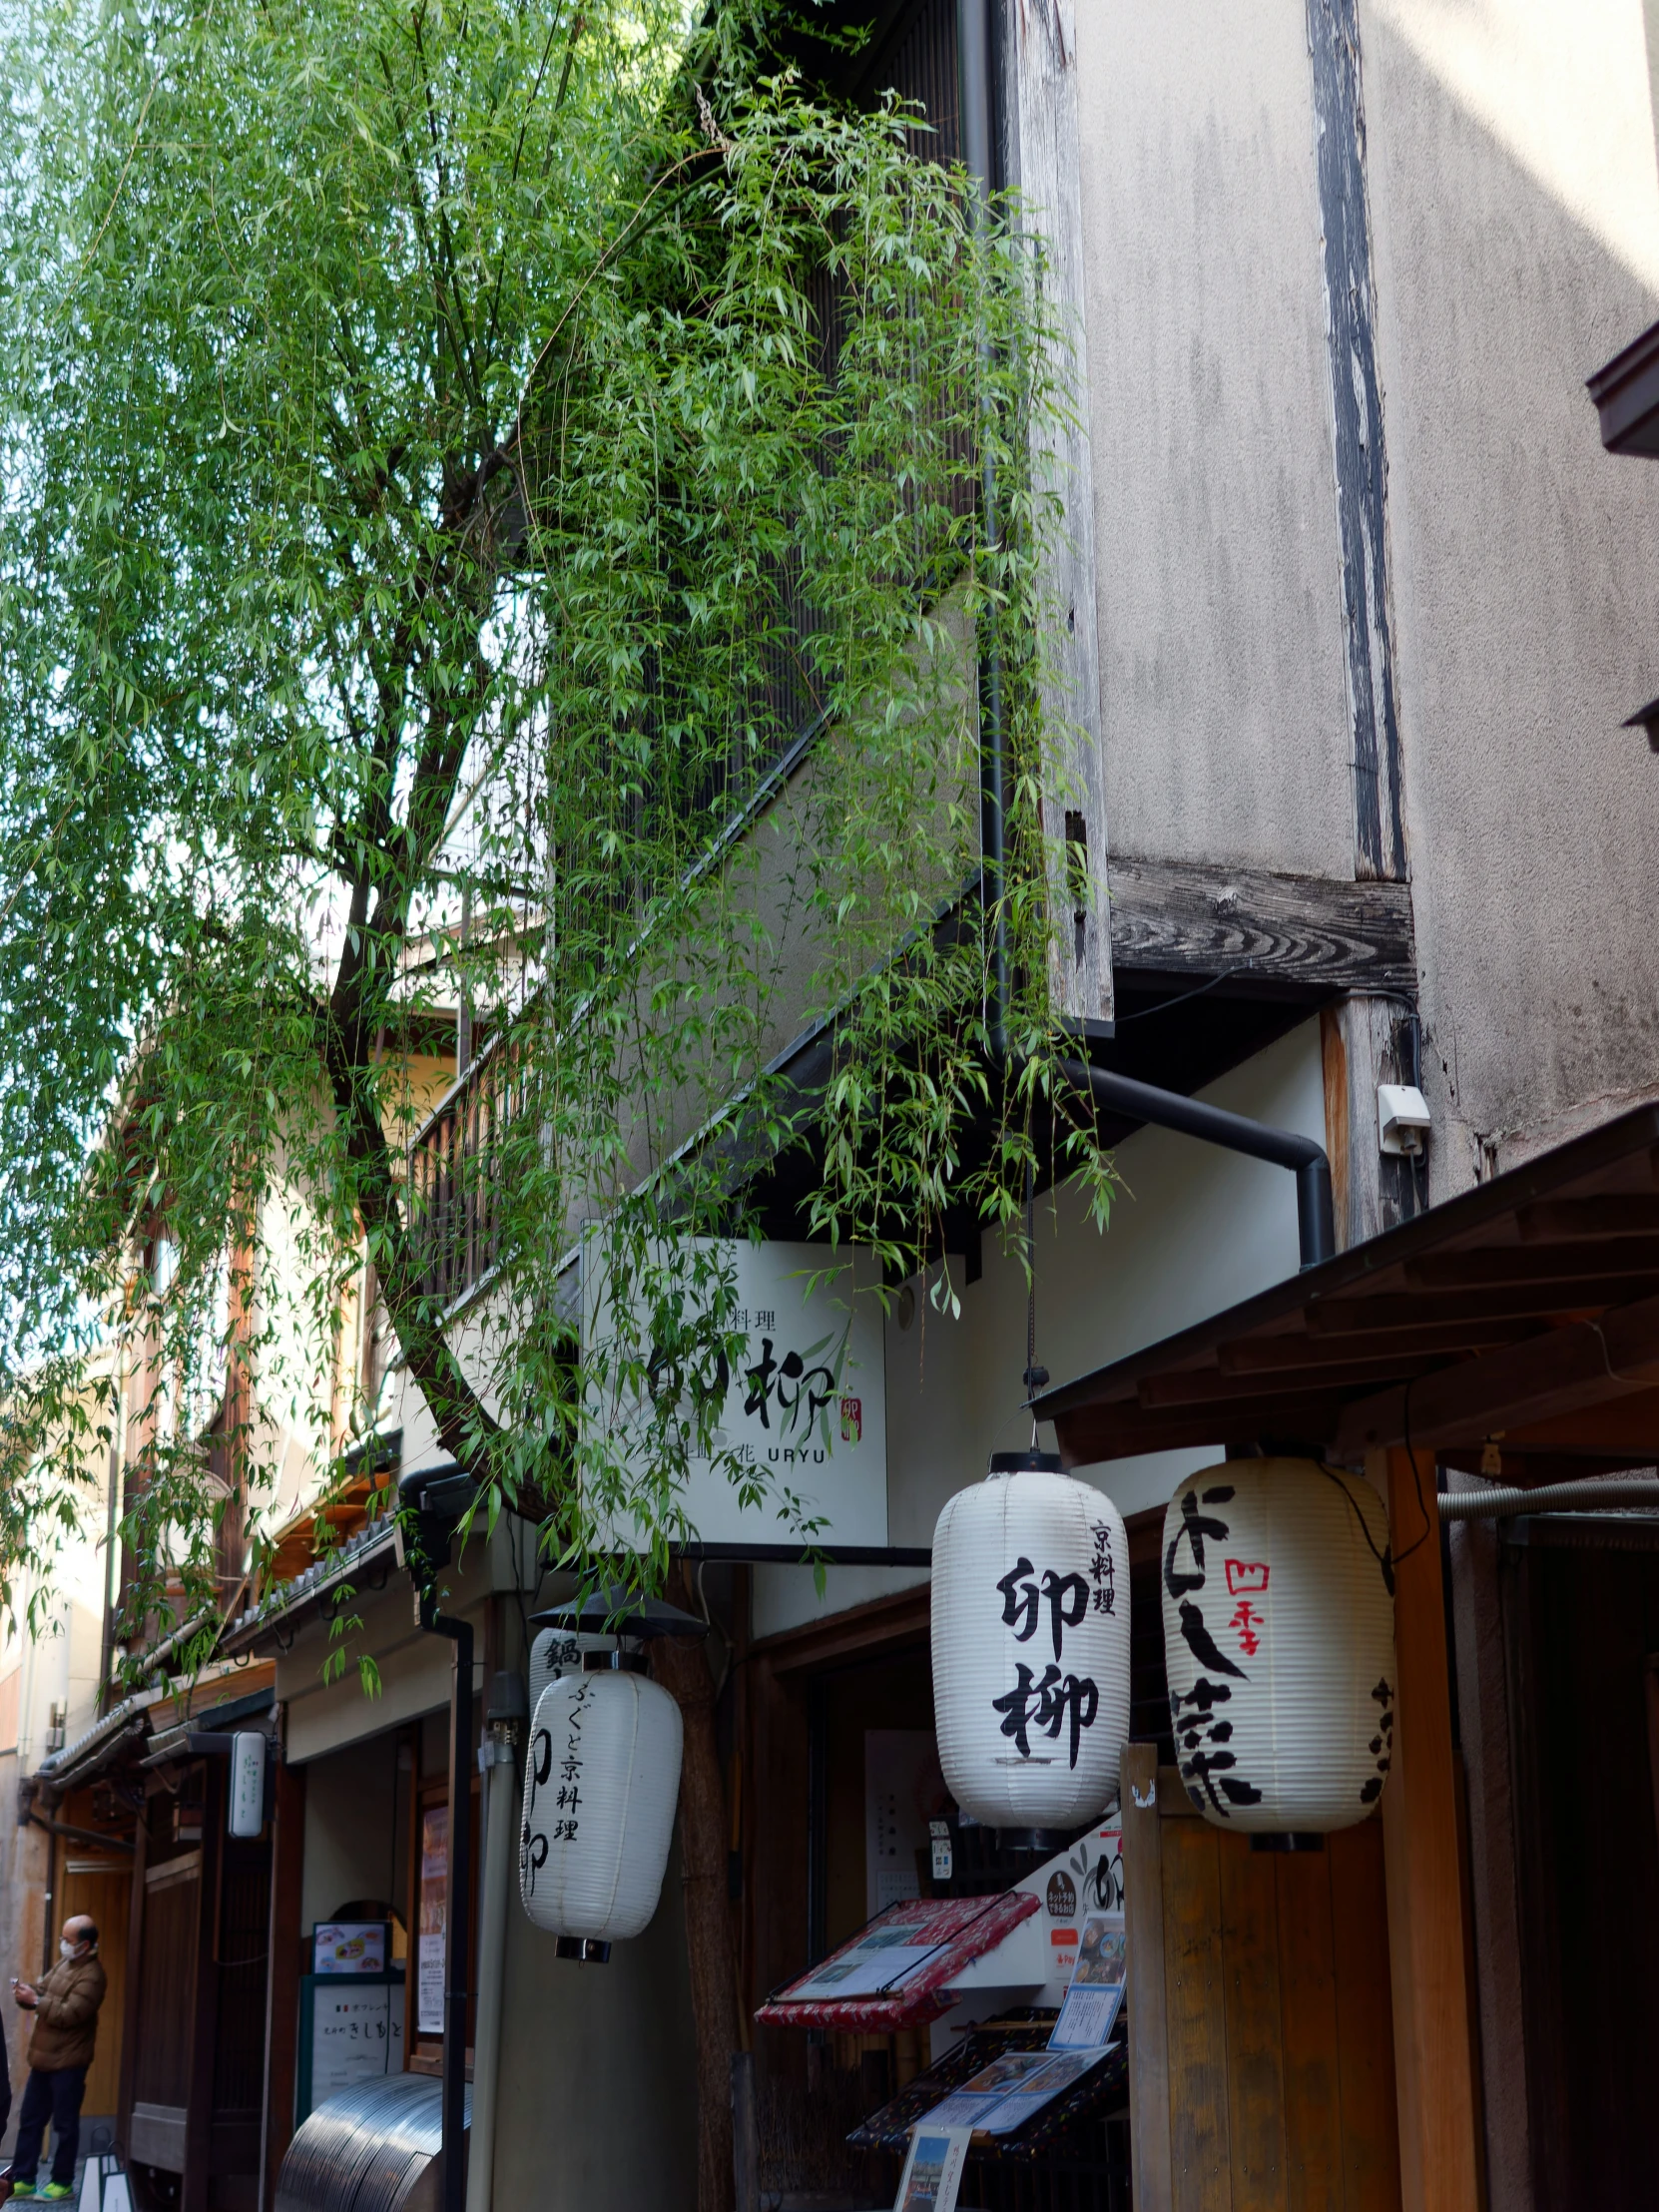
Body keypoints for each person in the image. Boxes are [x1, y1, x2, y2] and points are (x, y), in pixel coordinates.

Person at [8, 1917, 107, 2201]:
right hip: (43, 2059)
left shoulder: (93, 1975)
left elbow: (71, 2013)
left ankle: (62, 2182)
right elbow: (44, 1992)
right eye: (63, 1938)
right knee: (30, 2120)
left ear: (85, 1945)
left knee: (64, 2125)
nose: (63, 1944)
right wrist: (26, 1993)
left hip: (69, 2062)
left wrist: (37, 2002)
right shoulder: (65, 1965)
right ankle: (23, 2178)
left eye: (69, 1940)